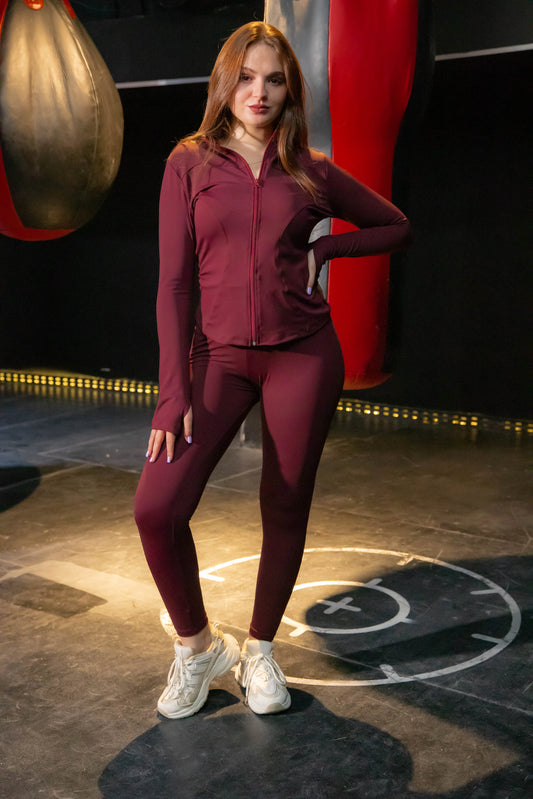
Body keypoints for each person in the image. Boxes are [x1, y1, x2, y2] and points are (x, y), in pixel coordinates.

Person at [134, 21, 411, 720]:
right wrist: (172, 393)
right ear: (225, 84)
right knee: (156, 509)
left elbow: (395, 225)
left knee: (284, 504)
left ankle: (259, 649)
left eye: (275, 80)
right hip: (216, 357)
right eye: (246, 77)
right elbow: (173, 284)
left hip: (303, 355)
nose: (258, 92)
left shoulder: (310, 169)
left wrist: (326, 252)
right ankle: (199, 648)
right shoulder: (188, 163)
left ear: (290, 91)